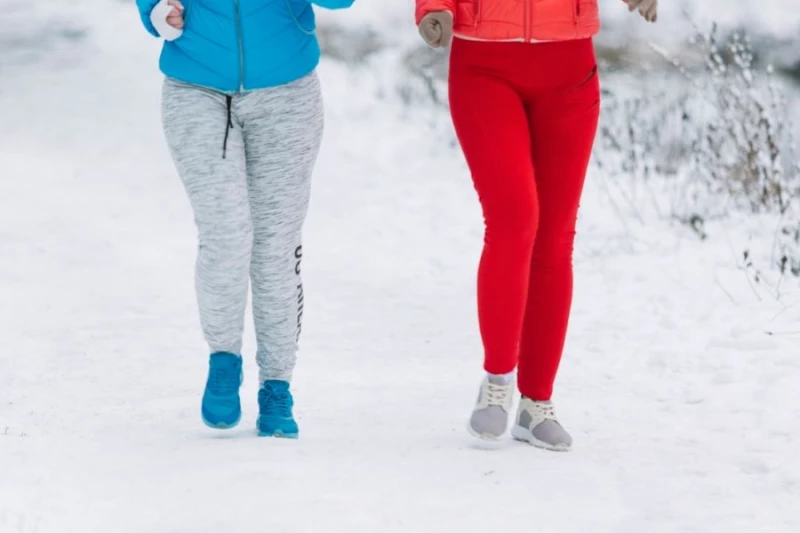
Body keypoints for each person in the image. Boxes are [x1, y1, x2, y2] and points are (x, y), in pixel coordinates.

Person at [415, 0, 657, 450]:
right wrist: (434, 7)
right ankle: (497, 382)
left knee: (555, 236)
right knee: (514, 218)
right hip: (484, 64)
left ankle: (536, 404)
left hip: (569, 69)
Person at [135, 0, 355, 438]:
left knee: (276, 243)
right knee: (226, 231)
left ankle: (277, 385)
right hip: (195, 86)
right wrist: (156, 11)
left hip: (287, 93)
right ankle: (223, 359)